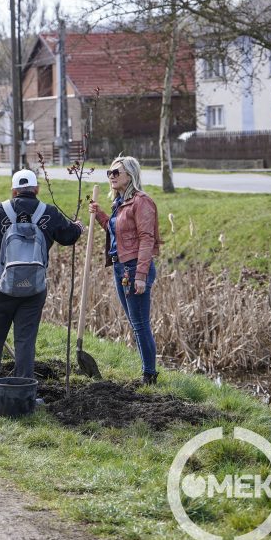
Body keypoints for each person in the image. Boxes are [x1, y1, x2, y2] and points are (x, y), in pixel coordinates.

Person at [0, 169, 84, 392]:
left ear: (13, 191)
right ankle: (22, 389)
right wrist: (78, 227)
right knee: (25, 340)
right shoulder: (48, 212)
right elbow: (69, 236)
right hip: (34, 288)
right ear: (37, 189)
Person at [89, 156, 161, 386]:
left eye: (116, 172)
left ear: (130, 175)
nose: (111, 176)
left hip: (134, 268)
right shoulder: (120, 203)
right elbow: (116, 231)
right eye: (109, 172)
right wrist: (100, 214)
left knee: (140, 324)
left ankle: (149, 375)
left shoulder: (142, 202)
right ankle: (147, 372)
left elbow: (146, 239)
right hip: (120, 266)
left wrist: (141, 276)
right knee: (134, 322)